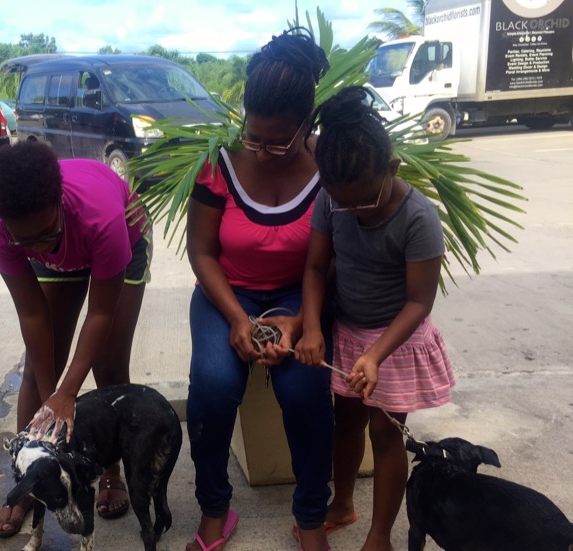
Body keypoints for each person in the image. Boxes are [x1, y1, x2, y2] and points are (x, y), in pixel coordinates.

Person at [185, 29, 334, 551]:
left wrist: (300, 323)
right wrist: (236, 319)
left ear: (306, 126)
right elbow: (201, 253)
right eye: (254, 136)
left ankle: (311, 516)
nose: (263, 150)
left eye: (279, 140)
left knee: (306, 392)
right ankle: (214, 509)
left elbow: (330, 261)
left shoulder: (328, 167)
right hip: (226, 295)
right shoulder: (218, 165)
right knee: (210, 388)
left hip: (302, 295)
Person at [294, 86, 455, 551]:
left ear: (392, 169)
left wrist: (378, 354)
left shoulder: (418, 218)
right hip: (349, 331)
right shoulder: (333, 199)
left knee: (386, 433)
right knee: (345, 424)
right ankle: (341, 503)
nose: (353, 211)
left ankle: (380, 535)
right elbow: (314, 268)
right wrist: (309, 326)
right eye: (342, 202)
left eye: (364, 200)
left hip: (396, 339)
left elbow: (419, 302)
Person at [0, 141, 152, 538]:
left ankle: (110, 470)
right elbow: (32, 313)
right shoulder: (0, 226)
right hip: (67, 241)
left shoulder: (101, 217)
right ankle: (27, 481)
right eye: (25, 241)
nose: (37, 248)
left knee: (109, 364)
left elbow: (101, 313)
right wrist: (49, 397)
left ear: (58, 201)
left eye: (44, 234)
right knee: (39, 369)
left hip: (122, 234)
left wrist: (69, 392)